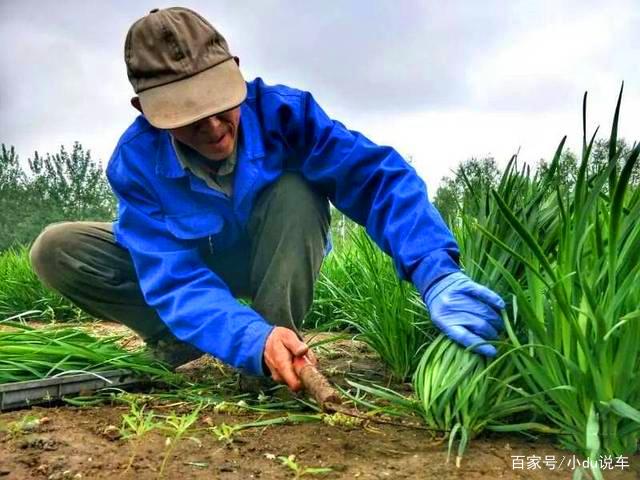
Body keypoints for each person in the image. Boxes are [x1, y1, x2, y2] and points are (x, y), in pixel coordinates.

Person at [30, 7, 505, 392]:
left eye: (220, 106)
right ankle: (193, 338)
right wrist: (246, 337)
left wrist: (435, 270)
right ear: (147, 112)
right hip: (196, 268)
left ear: (235, 72)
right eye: (188, 116)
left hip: (270, 259)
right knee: (57, 247)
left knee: (296, 189)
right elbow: (174, 278)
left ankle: (275, 347)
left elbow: (377, 178)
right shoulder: (136, 163)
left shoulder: (285, 114)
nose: (214, 128)